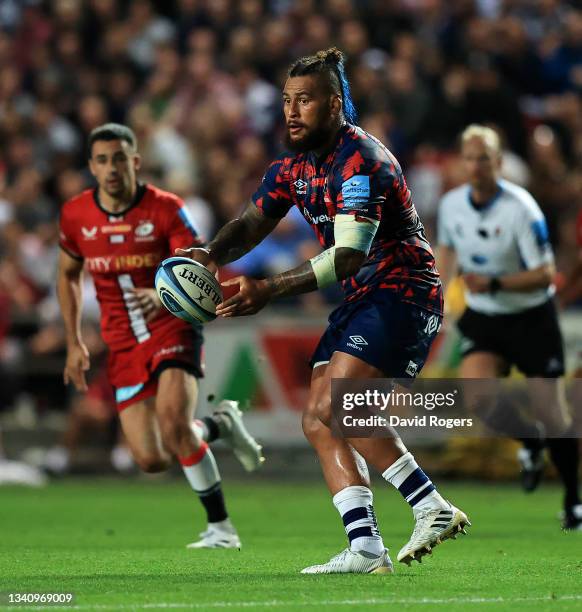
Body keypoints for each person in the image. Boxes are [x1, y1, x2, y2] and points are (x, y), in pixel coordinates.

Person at [180, 48, 469, 574]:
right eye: (288, 100)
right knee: (317, 419)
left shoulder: (363, 162)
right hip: (365, 297)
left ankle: (431, 507)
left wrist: (268, 288)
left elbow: (350, 254)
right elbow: (250, 224)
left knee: (343, 407)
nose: (291, 112)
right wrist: (210, 254)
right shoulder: (292, 165)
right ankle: (365, 548)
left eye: (305, 101)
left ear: (334, 104)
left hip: (404, 290)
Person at [57, 123, 264, 548]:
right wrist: (74, 340)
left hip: (172, 325)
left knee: (172, 422)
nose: (111, 167)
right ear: (91, 167)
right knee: (152, 459)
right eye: (102, 160)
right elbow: (67, 275)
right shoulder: (76, 215)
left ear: (134, 161)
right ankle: (217, 425)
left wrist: (160, 293)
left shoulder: (166, 208)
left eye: (119, 158)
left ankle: (221, 529)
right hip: (122, 342)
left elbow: (195, 264)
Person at [436, 124, 581, 531]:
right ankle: (530, 441)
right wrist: (443, 294)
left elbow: (546, 274)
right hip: (484, 315)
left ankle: (573, 501)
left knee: (554, 413)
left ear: (499, 163)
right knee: (480, 400)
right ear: (462, 163)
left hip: (531, 316)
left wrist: (497, 282)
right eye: (470, 157)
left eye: (485, 158)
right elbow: (447, 249)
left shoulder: (522, 209)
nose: (476, 165)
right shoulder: (452, 206)